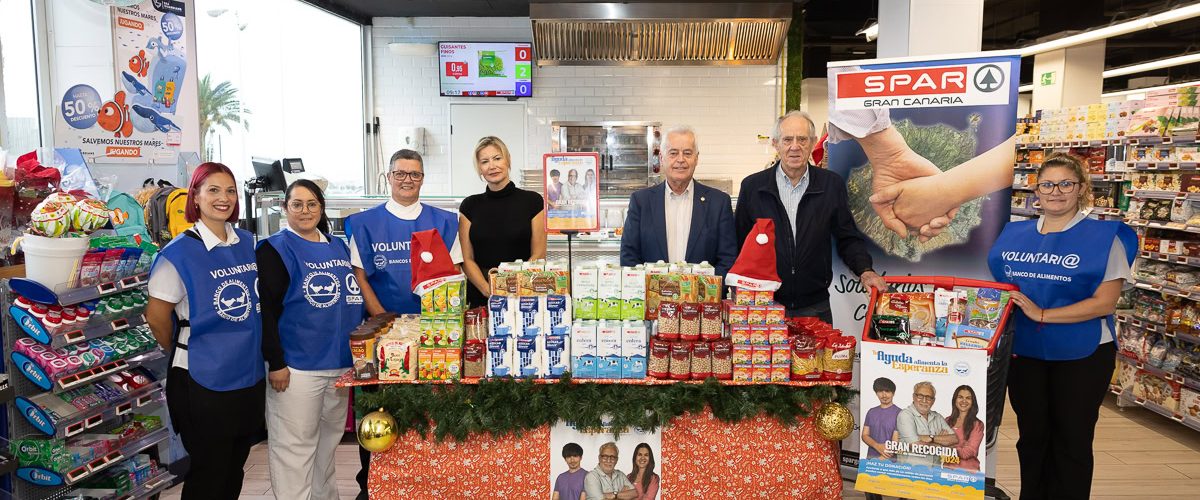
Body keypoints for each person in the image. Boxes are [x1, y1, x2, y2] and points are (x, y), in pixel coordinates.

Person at [987, 152, 1137, 499]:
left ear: (1082, 188)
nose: (1056, 191)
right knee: (1033, 435)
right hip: (1025, 351)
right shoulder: (1014, 233)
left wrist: (1042, 314)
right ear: (1035, 189)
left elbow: (1105, 302)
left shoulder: (1104, 237)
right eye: (1048, 184)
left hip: (1082, 352)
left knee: (1072, 438)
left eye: (1066, 184)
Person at [344, 149, 462, 499]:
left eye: (414, 174)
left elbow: (452, 276)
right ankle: (374, 486)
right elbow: (361, 276)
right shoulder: (364, 223)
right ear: (389, 177)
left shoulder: (444, 221)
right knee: (381, 414)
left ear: (423, 178)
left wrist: (435, 321)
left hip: (432, 335)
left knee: (428, 415)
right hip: (381, 335)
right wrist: (385, 321)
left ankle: (427, 484)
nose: (407, 180)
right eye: (400, 173)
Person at [146, 162, 264, 499]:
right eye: (213, 190)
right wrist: (188, 347)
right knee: (209, 471)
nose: (223, 198)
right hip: (201, 379)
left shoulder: (246, 242)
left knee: (234, 466)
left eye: (230, 190)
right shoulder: (178, 253)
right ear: (195, 196)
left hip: (247, 375)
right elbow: (157, 317)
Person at [256, 180, 364, 500]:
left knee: (325, 447)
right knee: (294, 450)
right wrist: (276, 362)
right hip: (296, 368)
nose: (305, 211)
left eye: (312, 204)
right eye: (297, 204)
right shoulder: (274, 249)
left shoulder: (338, 245)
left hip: (339, 365)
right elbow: (267, 312)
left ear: (322, 208)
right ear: (284, 208)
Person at [734, 111, 886, 322]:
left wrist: (865, 270)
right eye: (787, 139)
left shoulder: (830, 185)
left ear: (813, 142)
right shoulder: (753, 187)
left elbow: (847, 236)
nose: (794, 146)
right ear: (776, 143)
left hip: (816, 308)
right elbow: (739, 245)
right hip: (765, 306)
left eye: (802, 139)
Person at [620, 125, 737, 276]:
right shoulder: (641, 202)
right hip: (653, 298)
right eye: (673, 153)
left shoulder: (719, 203)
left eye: (687, 153)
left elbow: (728, 258)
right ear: (662, 158)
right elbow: (629, 255)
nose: (680, 160)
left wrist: (707, 292)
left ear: (696, 158)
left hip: (703, 299)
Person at [459, 136, 547, 307]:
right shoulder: (469, 205)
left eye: (497, 158)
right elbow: (466, 259)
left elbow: (539, 254)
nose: (492, 166)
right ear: (479, 168)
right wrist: (487, 290)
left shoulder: (533, 201)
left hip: (523, 294)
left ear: (508, 160)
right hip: (481, 296)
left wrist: (515, 288)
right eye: (485, 161)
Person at [895, 381, 958, 467]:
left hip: (935, 473)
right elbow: (916, 447)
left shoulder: (938, 417)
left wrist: (930, 438)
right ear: (913, 397)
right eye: (920, 396)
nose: (924, 400)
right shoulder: (905, 415)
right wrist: (941, 443)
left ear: (933, 401)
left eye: (929, 397)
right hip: (911, 473)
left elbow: (954, 440)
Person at [944, 385, 984, 472]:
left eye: (968, 398)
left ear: (972, 402)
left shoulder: (977, 424)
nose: (964, 401)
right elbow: (938, 445)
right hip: (946, 470)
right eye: (960, 397)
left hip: (967, 472)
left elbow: (968, 452)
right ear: (955, 400)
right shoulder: (947, 421)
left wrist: (948, 446)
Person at [862, 377, 901, 461]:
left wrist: (877, 461)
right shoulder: (871, 412)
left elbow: (895, 444)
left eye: (887, 391)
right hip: (870, 461)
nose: (884, 395)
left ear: (893, 393)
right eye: (880, 391)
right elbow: (865, 435)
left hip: (890, 464)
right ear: (876, 393)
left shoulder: (900, 414)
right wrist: (877, 446)